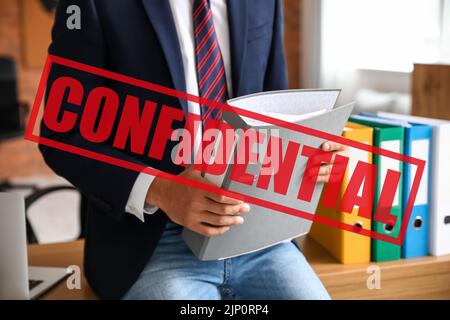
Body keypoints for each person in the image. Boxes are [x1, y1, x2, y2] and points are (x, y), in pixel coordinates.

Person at [40, 0, 347, 300]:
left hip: (255, 237)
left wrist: (306, 154)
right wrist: (160, 190)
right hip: (153, 245)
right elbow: (61, 134)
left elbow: (277, 114)